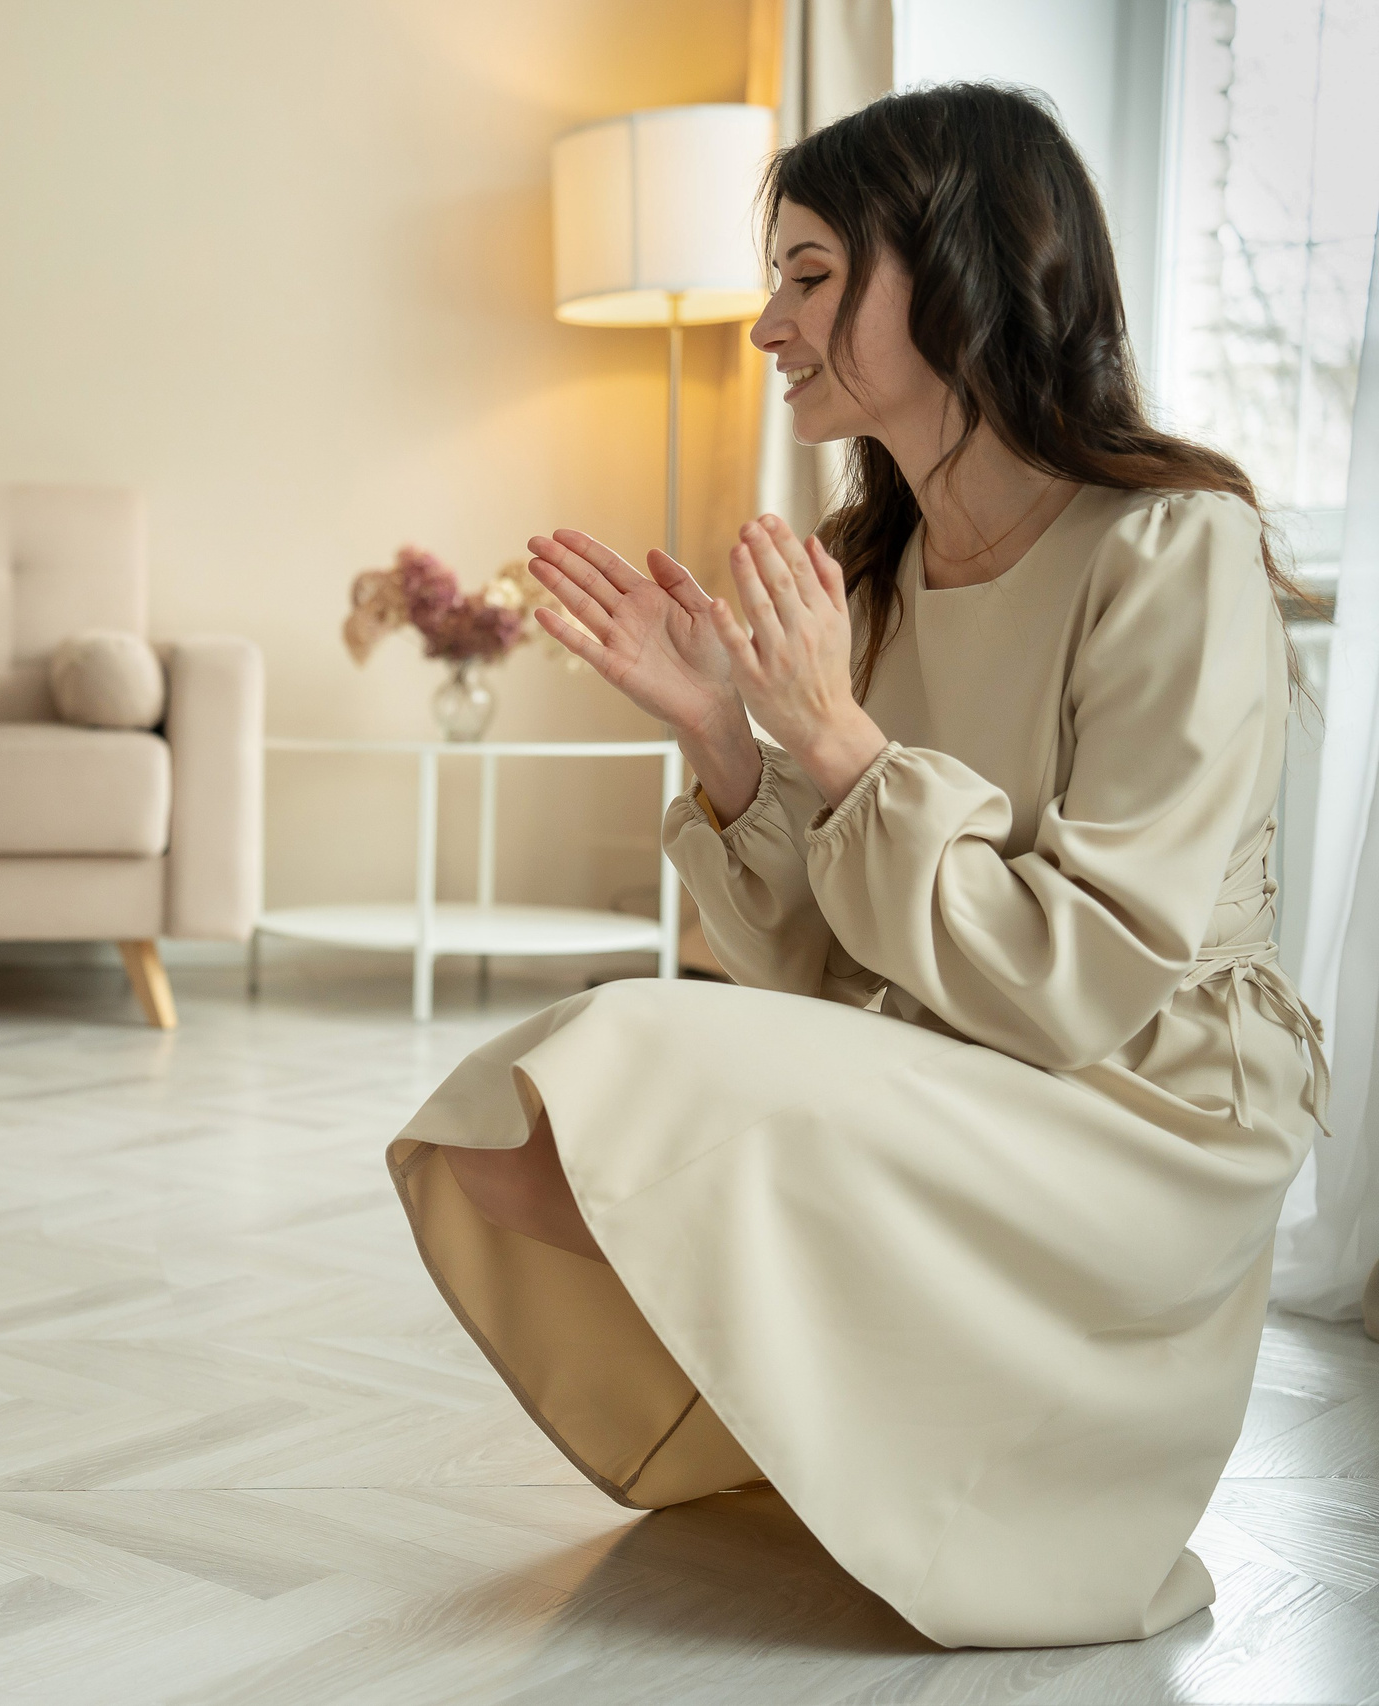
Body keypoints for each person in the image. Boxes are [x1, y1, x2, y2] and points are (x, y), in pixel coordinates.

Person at [387, 82, 1331, 1649]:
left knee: (616, 1068)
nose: (770, 323)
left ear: (956, 274)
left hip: (1152, 1098)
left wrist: (836, 741)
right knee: (515, 1115)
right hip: (971, 1053)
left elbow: (1096, 969)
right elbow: (828, 963)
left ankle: (979, 1475)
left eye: (811, 275)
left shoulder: (1177, 549)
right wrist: (727, 743)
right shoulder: (868, 571)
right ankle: (876, 1443)